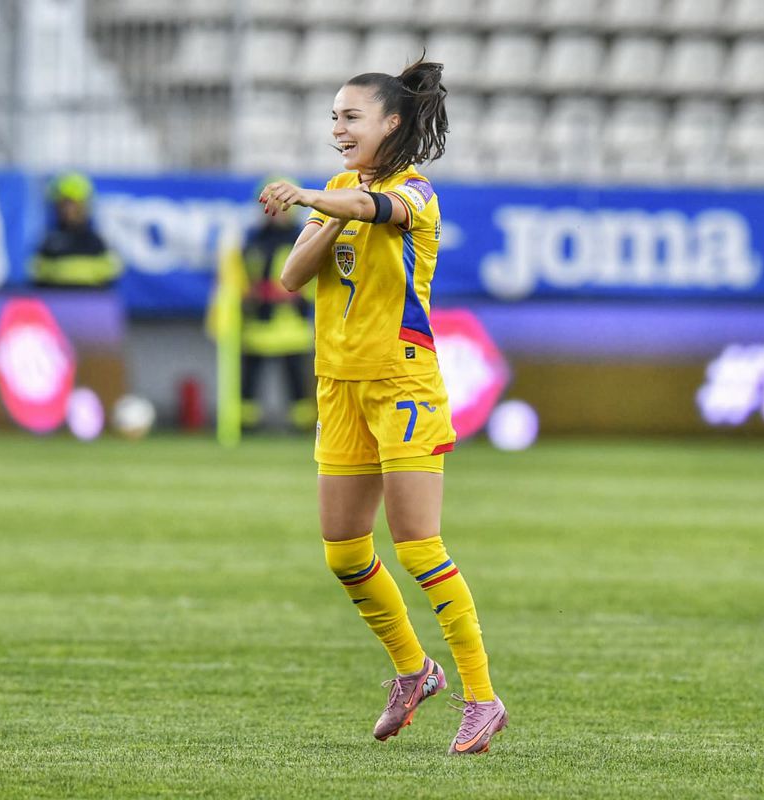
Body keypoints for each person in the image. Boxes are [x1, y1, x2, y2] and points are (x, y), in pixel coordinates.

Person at [259, 57, 507, 755]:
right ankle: (413, 670)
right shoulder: (340, 190)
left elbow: (381, 211)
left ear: (392, 124)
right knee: (343, 551)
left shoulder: (416, 193)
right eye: (334, 117)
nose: (338, 128)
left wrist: (318, 197)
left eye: (351, 117)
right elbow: (291, 277)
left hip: (401, 383)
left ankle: (481, 698)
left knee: (418, 545)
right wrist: (324, 209)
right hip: (338, 384)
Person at [231, 178, 316, 431]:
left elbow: (314, 280)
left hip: (292, 325)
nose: (275, 210)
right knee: (249, 380)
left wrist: (291, 295)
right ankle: (246, 425)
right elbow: (242, 276)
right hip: (258, 323)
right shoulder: (252, 240)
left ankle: (303, 426)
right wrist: (248, 294)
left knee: (296, 381)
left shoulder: (303, 237)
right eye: (268, 203)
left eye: (280, 203)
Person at [29, 172, 121, 288]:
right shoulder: (48, 242)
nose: (67, 210)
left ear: (85, 206)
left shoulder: (98, 242)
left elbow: (110, 276)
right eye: (63, 204)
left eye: (73, 204)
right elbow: (37, 274)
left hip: (92, 298)